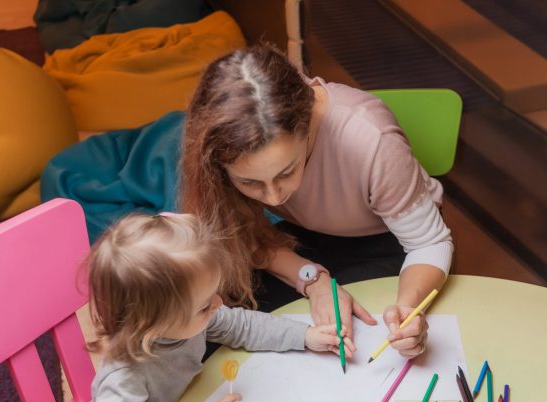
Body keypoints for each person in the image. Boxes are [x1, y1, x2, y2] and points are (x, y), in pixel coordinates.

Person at [179, 44, 453, 359]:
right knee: (209, 327)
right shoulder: (214, 150)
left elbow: (428, 242)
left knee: (358, 338)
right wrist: (313, 280)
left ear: (307, 124)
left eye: (287, 172)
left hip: (389, 241)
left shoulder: (371, 141)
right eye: (249, 183)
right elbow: (240, 234)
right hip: (301, 237)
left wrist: (408, 307)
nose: (274, 196)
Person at [87, 212, 353, 402]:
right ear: (151, 326)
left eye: (214, 294)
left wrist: (305, 336)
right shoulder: (125, 373)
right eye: (204, 306)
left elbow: (241, 325)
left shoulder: (189, 317)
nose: (218, 305)